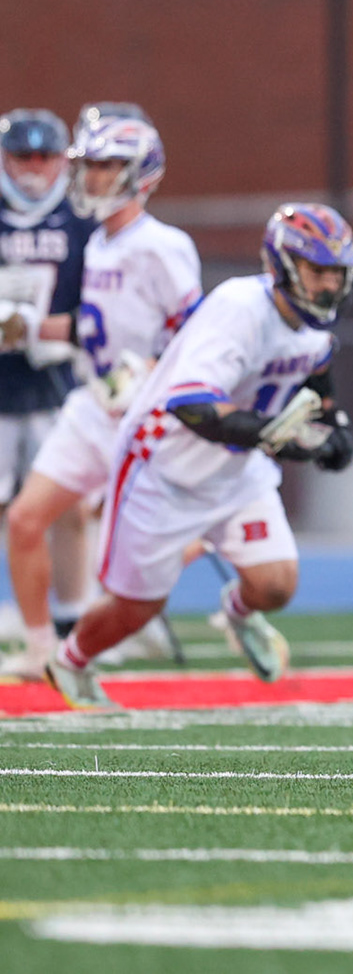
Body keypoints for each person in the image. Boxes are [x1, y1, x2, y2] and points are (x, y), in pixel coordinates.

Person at [42, 204, 353, 711]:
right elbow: (192, 406)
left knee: (276, 584)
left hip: (235, 467)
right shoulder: (240, 308)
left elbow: (316, 371)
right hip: (162, 465)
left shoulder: (315, 325)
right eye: (316, 271)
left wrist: (334, 425)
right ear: (282, 265)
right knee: (137, 607)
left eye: (336, 274)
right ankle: (70, 661)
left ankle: (235, 614)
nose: (327, 285)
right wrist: (282, 438)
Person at [2, 105, 198, 680]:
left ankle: (226, 580)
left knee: (137, 548)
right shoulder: (98, 243)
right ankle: (42, 649)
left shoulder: (162, 245)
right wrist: (26, 324)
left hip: (146, 408)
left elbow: (196, 336)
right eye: (89, 164)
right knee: (23, 520)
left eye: (108, 165)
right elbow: (91, 329)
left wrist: (152, 371)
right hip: (95, 402)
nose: (92, 177)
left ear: (142, 172)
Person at [0, 109, 97, 672]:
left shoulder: (80, 218)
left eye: (44, 156)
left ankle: (72, 620)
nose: (34, 168)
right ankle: (27, 623)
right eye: (23, 156)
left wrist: (53, 333)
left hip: (60, 379)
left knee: (68, 508)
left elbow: (105, 300)